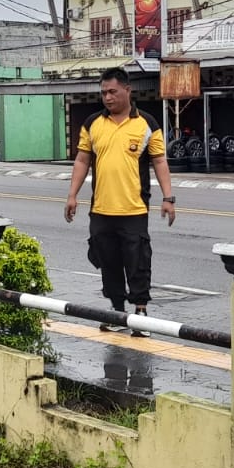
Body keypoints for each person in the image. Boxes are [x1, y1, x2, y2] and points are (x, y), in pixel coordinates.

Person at [64, 67, 175, 336]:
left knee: (138, 261)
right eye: (103, 93)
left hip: (134, 209)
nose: (108, 97)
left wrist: (168, 197)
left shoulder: (147, 123)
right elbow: (82, 160)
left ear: (127, 90)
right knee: (108, 261)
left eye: (112, 91)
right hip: (101, 209)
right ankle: (116, 310)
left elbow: (160, 161)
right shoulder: (92, 123)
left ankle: (140, 312)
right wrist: (72, 195)